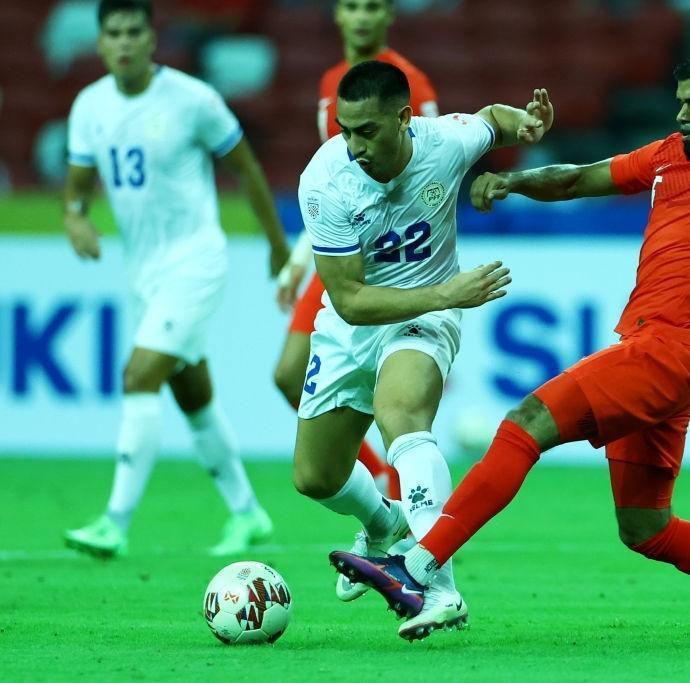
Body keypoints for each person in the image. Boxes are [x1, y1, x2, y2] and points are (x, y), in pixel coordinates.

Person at [332, 47, 690, 644]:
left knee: (525, 422)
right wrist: (514, 180)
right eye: (679, 101)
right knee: (647, 529)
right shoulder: (668, 155)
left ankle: (415, 566)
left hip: (667, 351)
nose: (682, 114)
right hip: (664, 356)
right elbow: (582, 177)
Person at [294, 60, 553, 640]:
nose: (354, 145)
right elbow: (352, 299)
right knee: (315, 476)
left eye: (368, 130)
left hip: (426, 319)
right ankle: (385, 526)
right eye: (345, 129)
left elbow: (492, 120)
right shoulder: (325, 181)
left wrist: (526, 125)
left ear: (404, 119)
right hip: (350, 325)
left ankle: (438, 588)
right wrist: (448, 289)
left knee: (400, 415)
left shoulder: (443, 143)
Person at [62, 0, 291, 558]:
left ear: (150, 39)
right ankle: (247, 513)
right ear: (99, 44)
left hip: (196, 260)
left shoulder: (192, 99)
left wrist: (277, 244)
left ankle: (114, 522)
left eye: (132, 32)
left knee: (139, 375)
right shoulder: (89, 106)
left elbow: (246, 167)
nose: (122, 42)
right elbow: (77, 188)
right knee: (192, 393)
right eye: (112, 33)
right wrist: (76, 219)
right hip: (144, 271)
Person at [273, 0, 440, 501]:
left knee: (391, 392)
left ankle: (394, 485)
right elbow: (337, 185)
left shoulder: (412, 83)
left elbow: (427, 169)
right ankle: (376, 477)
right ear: (337, 16)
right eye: (351, 6)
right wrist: (301, 257)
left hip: (390, 257)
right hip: (342, 253)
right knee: (288, 375)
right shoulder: (331, 84)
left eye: (372, 6)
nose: (362, 17)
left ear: (389, 15)